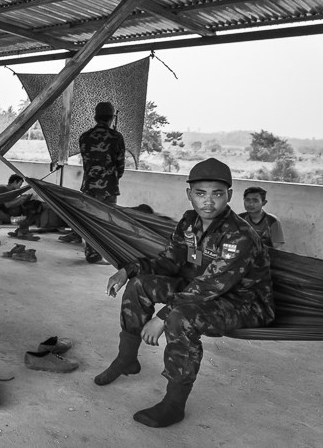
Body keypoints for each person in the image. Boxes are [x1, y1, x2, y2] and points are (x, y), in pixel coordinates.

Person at [96, 158, 274, 428]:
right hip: (199, 287)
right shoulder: (190, 221)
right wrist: (128, 270)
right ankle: (127, 358)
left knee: (181, 317)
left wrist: (162, 317)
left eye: (217, 194)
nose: (208, 201)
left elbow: (211, 285)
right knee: (139, 285)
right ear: (189, 194)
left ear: (229, 195)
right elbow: (169, 262)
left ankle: (174, 404)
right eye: (201, 193)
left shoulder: (240, 234)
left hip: (243, 302)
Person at [67, 101, 125, 263]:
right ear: (111, 118)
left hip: (89, 186)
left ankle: (92, 252)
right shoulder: (116, 137)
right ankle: (106, 252)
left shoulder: (85, 137)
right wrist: (112, 177)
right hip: (109, 187)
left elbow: (87, 161)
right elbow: (120, 165)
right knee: (107, 221)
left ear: (95, 117)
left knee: (90, 219)